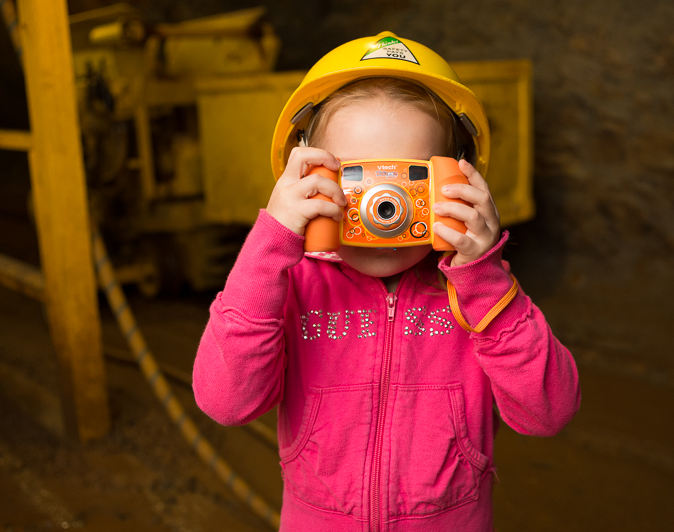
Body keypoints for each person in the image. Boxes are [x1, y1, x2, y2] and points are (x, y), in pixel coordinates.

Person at [193, 32, 580, 532]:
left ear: (457, 181)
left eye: (406, 182)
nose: (383, 209)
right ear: (307, 177)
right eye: (357, 181)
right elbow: (225, 401)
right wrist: (270, 249)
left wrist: (483, 278)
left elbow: (549, 411)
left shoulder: (478, 294)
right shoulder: (291, 287)